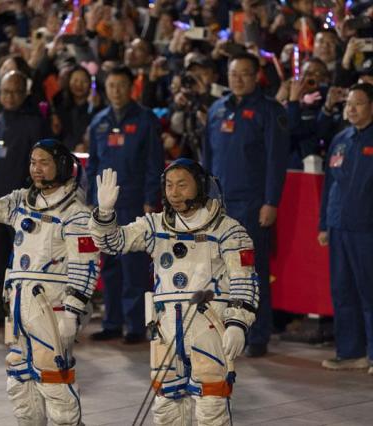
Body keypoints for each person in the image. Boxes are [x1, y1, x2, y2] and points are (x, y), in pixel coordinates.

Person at [89, 160, 259, 425]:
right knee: (166, 409)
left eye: (182, 185)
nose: (174, 193)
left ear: (201, 187)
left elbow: (244, 280)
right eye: (169, 186)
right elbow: (114, 243)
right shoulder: (155, 226)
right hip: (166, 329)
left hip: (209, 329)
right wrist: (104, 213)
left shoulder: (228, 230)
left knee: (211, 407)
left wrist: (238, 323)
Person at [0, 140, 100, 426]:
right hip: (20, 308)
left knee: (55, 383)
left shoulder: (76, 213)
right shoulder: (21, 201)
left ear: (62, 166)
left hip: (53, 310)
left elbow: (85, 267)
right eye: (33, 162)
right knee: (21, 385)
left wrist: (72, 312)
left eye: (44, 162)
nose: (36, 169)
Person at [203, 53, 289, 357]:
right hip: (220, 206)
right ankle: (224, 329)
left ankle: (258, 333)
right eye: (233, 73)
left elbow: (275, 161)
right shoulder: (216, 110)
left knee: (251, 271)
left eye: (244, 74)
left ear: (256, 77)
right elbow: (207, 159)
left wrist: (270, 202)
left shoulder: (270, 111)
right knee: (219, 272)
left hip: (252, 205)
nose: (237, 79)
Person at [86, 65, 163, 344]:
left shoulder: (145, 120)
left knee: (134, 266)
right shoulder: (99, 122)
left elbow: (154, 164)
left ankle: (135, 326)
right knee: (109, 266)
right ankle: (112, 322)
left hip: (134, 203)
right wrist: (92, 202)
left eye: (121, 85)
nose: (116, 91)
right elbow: (93, 164)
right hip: (107, 206)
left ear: (132, 88)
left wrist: (149, 200)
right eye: (111, 85)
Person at [0, 70, 51, 327]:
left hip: (23, 206)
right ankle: (2, 306)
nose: (9, 97)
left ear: (25, 94)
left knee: (23, 259)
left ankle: (24, 309)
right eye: (5, 91)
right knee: (0, 258)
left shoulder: (35, 123)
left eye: (15, 92)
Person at [318, 83, 373, 374]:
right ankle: (351, 352)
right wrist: (324, 224)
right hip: (339, 226)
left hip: (367, 228)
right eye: (348, 104)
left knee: (369, 291)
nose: (351, 109)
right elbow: (330, 186)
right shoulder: (340, 139)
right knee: (343, 291)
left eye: (359, 103)